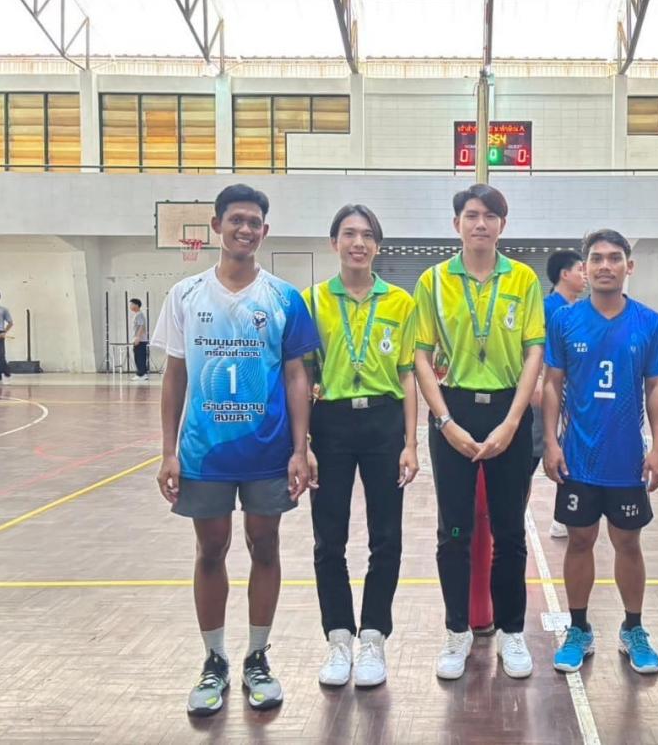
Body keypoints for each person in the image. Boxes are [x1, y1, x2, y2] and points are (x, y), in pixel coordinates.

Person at [151, 184, 320, 716]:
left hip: (268, 450)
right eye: (236, 220)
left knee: (264, 545)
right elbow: (174, 375)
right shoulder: (186, 294)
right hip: (204, 453)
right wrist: (168, 451)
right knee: (211, 549)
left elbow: (297, 375)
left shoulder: (284, 298)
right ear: (217, 225)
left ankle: (257, 657)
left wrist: (300, 448)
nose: (245, 229)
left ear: (264, 231)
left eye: (254, 222)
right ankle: (214, 660)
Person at [413, 183, 545, 681]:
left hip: (509, 408)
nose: (481, 224)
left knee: (510, 531)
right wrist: (444, 421)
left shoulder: (523, 279)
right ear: (457, 224)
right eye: (471, 215)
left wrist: (513, 421)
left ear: (502, 225)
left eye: (490, 216)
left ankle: (512, 631)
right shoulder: (433, 280)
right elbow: (420, 354)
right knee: (454, 531)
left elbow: (534, 350)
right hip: (455, 407)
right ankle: (457, 631)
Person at [542, 229, 658, 676]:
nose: (605, 265)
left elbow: (656, 386)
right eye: (596, 258)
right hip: (578, 458)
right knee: (579, 541)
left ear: (628, 266)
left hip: (626, 460)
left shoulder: (648, 322)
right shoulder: (565, 321)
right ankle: (578, 628)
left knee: (628, 543)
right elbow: (552, 384)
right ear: (584, 268)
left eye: (614, 258)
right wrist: (550, 442)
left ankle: (633, 629)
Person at [304, 204, 419, 689]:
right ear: (334, 242)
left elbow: (408, 374)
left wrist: (411, 442)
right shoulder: (311, 300)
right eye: (349, 234)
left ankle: (373, 636)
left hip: (383, 422)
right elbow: (301, 375)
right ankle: (338, 637)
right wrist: (303, 443)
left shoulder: (401, 303)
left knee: (386, 536)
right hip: (329, 423)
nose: (358, 242)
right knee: (328, 538)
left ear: (378, 245)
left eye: (367, 235)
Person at [539, 249, 586, 540]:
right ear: (564, 274)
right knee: (536, 454)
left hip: (574, 396)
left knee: (570, 452)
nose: (585, 275)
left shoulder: (582, 311)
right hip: (544, 393)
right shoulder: (546, 309)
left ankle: (563, 516)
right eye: (581, 269)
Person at [129, 298, 149, 381]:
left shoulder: (139, 315)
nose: (130, 306)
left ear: (136, 305)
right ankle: (142, 374)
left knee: (139, 357)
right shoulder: (137, 314)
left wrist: (138, 338)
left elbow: (141, 326)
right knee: (139, 357)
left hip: (140, 340)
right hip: (139, 340)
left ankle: (141, 374)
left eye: (131, 304)